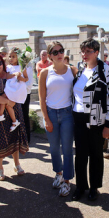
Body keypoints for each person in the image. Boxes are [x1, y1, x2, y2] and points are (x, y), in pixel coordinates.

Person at [72, 38, 109, 201]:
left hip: (96, 119)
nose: (84, 54)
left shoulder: (105, 70)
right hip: (78, 117)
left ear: (97, 52)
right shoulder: (80, 68)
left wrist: (108, 125)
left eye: (88, 51)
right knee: (80, 154)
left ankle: (94, 187)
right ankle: (81, 186)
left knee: (96, 154)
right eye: (83, 51)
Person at [39, 41, 78, 197]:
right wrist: (46, 119)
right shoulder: (45, 73)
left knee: (68, 149)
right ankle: (58, 173)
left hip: (68, 114)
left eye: (60, 51)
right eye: (55, 52)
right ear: (49, 56)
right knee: (54, 148)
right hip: (51, 114)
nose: (59, 54)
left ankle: (67, 181)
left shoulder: (73, 71)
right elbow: (42, 99)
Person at [0, 53, 28, 180]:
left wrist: (25, 66)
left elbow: (24, 81)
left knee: (14, 136)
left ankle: (17, 165)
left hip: (14, 110)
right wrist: (7, 101)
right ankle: (0, 168)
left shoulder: (10, 72)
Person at [6, 47, 33, 143]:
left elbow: (28, 81)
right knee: (13, 118)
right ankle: (14, 139)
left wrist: (22, 79)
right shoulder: (7, 68)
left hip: (22, 95)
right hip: (11, 95)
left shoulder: (25, 67)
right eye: (10, 56)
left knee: (23, 116)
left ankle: (25, 139)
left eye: (14, 56)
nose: (11, 58)